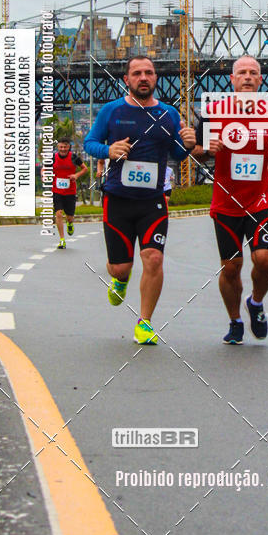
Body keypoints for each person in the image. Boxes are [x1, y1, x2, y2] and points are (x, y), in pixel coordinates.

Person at [84, 55, 195, 345]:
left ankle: (144, 322)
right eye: (136, 73)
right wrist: (108, 150)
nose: (143, 78)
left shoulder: (169, 114)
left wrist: (188, 145)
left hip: (153, 200)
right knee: (120, 267)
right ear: (127, 80)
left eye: (148, 72)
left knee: (154, 258)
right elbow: (89, 143)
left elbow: (177, 153)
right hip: (117, 199)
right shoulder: (111, 111)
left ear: (155, 78)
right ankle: (120, 280)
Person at [192, 55, 268, 344]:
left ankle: (255, 303)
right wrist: (206, 149)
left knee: (266, 259)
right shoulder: (214, 112)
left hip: (260, 201)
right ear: (232, 79)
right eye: (242, 72)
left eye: (253, 72)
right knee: (231, 267)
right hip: (226, 204)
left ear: (260, 80)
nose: (247, 76)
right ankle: (235, 321)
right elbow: (194, 150)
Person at [52, 138, 88, 248]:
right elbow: (44, 169)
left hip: (70, 191)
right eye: (61, 147)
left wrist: (76, 175)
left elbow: (85, 169)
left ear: (69, 147)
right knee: (58, 214)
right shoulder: (53, 157)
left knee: (69, 217)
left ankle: (70, 223)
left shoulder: (74, 157)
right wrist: (44, 174)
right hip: (57, 190)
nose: (63, 149)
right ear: (58, 147)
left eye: (65, 147)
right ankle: (62, 240)